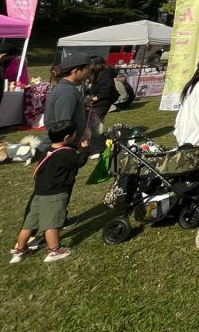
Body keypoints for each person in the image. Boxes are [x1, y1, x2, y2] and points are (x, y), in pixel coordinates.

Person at [8, 119, 89, 264]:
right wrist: (85, 148)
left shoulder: (49, 151)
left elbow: (70, 157)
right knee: (52, 223)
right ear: (66, 138)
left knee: (29, 224)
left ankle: (20, 249)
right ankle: (54, 250)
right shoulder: (65, 154)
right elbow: (79, 161)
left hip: (39, 193)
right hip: (54, 195)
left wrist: (77, 148)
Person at [43, 54, 90, 141]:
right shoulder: (67, 91)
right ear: (75, 71)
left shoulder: (66, 89)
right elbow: (64, 124)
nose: (88, 72)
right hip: (60, 146)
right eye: (86, 69)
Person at [86, 57, 118, 125]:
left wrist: (91, 99)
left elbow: (106, 92)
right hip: (97, 98)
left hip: (103, 101)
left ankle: (97, 134)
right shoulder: (98, 74)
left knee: (95, 120)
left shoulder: (106, 76)